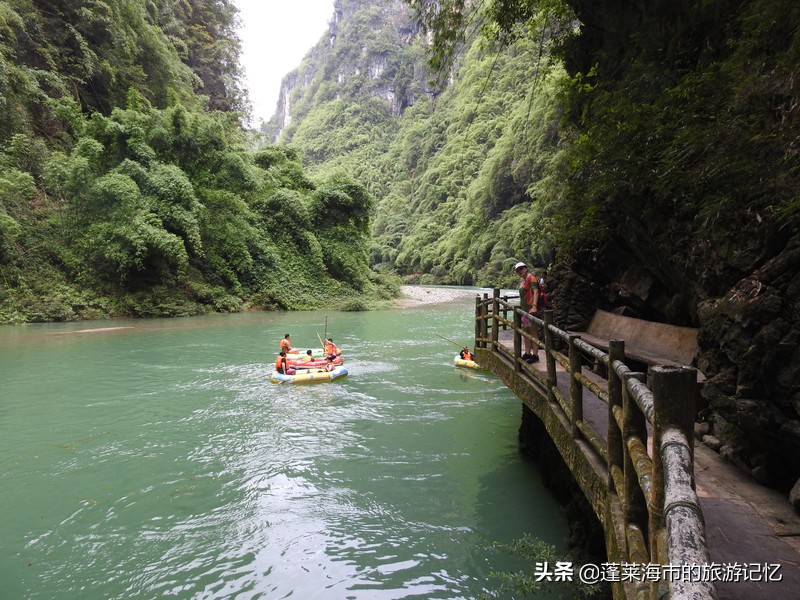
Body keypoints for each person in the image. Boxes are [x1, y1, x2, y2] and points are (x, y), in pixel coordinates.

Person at [514, 261, 540, 363]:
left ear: (526, 268)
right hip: (524, 311)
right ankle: (527, 353)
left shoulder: (531, 278)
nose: (520, 271)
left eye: (521, 269)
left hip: (531, 310)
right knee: (526, 332)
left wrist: (534, 306)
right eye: (517, 270)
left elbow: (536, 291)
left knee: (533, 332)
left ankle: (535, 355)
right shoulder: (522, 281)